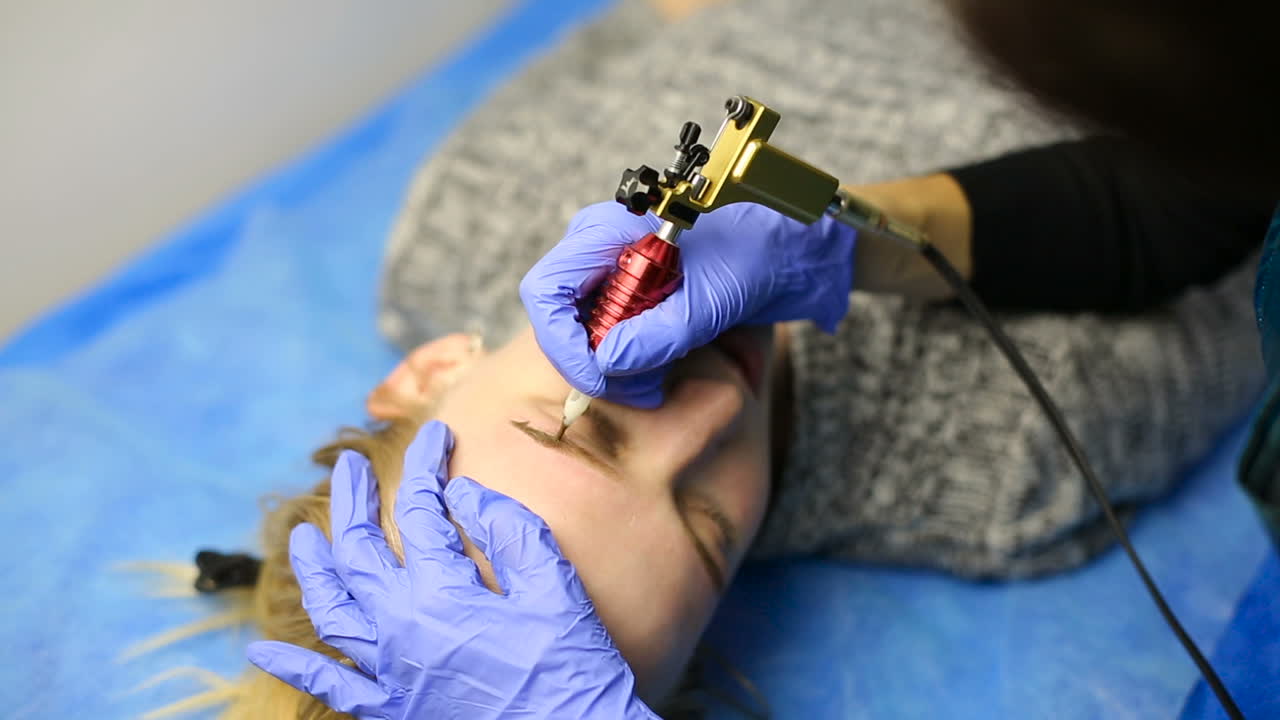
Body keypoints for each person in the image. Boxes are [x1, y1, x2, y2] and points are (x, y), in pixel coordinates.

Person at [245, 1, 1280, 717]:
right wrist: (857, 239)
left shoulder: (456, 217)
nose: (711, 415)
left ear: (426, 372)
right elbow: (1236, 197)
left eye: (595, 425)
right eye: (707, 529)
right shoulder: (1008, 457)